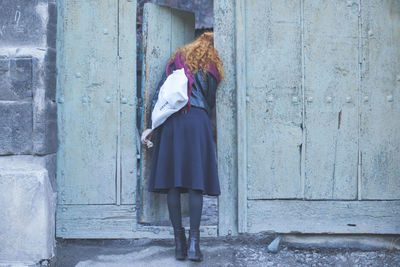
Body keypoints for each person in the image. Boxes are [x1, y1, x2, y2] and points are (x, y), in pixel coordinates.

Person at [141, 31, 224, 262]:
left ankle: (179, 244)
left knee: (174, 184)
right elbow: (209, 99)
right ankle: (195, 246)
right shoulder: (212, 67)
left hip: (173, 124)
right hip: (197, 122)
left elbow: (160, 94)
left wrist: (151, 125)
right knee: (196, 184)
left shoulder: (175, 60)